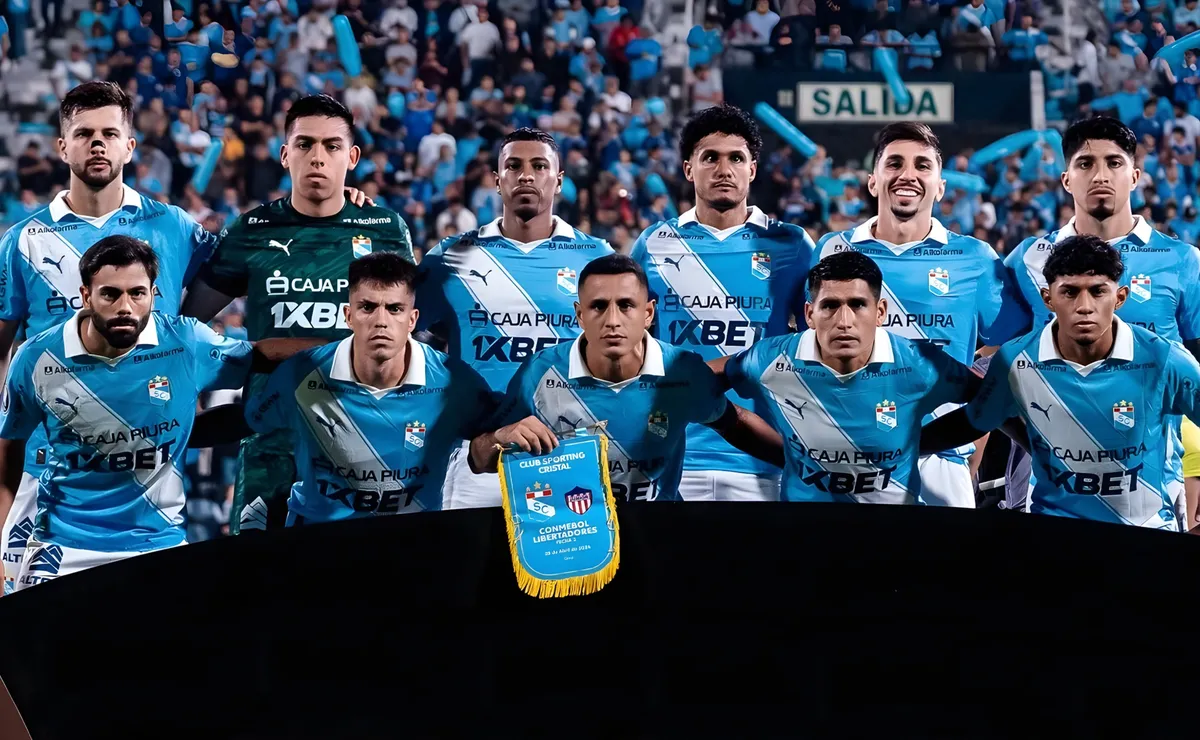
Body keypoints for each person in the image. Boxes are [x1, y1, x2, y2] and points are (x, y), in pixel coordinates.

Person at [0, 81, 220, 594]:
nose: (97, 143)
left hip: (146, 473)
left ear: (129, 146)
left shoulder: (174, 225)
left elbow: (239, 272)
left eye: (109, 133)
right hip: (48, 474)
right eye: (83, 134)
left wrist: (337, 203)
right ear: (63, 147)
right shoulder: (22, 241)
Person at [0, 237, 314, 591]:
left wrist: (345, 350)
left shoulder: (183, 342)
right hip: (62, 547)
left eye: (137, 293)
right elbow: (7, 459)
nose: (125, 307)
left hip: (158, 544)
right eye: (110, 294)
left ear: (152, 293)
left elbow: (257, 355)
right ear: (86, 296)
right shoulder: (36, 358)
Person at [181, 94, 415, 534]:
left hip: (363, 445)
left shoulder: (385, 230)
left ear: (352, 157)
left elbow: (405, 337)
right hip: (270, 446)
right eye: (305, 144)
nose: (317, 157)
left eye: (331, 146)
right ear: (285, 154)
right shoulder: (250, 231)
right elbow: (186, 326)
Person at [813, 122, 1032, 508]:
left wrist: (976, 432)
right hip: (845, 452)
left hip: (940, 459)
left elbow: (1012, 346)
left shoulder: (974, 259)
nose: (908, 174)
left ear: (940, 186)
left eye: (922, 165)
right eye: (894, 163)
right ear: (873, 182)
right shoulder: (834, 250)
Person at [922, 235, 1200, 530]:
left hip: (1146, 531)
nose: (1084, 306)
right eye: (1070, 292)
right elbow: (974, 421)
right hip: (1055, 532)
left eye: (1098, 291)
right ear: (1048, 298)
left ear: (1120, 297)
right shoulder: (1016, 359)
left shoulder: (1164, 359)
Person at [1002, 116, 1200, 521]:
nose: (1100, 175)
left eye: (1114, 162)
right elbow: (995, 363)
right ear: (1066, 179)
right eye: (1085, 163)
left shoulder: (1182, 260)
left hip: (1152, 488)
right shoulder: (1027, 260)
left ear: (1135, 176)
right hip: (1054, 489)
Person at [469, 254, 784, 502]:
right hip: (576, 540)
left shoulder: (682, 371)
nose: (612, 320)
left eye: (626, 306)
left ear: (648, 314)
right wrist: (501, 438)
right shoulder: (540, 372)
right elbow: (479, 459)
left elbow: (733, 422)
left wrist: (799, 464)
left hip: (656, 538)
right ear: (579, 315)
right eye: (598, 307)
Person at [416, 128, 614, 510]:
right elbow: (402, 334)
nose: (526, 175)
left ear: (559, 180)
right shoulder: (451, 257)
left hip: (568, 453)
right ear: (497, 180)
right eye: (514, 166)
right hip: (477, 456)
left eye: (539, 166)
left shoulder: (596, 256)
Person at [629, 104, 814, 503]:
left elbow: (817, 348)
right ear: (688, 169)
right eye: (710, 157)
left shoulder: (792, 244)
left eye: (736, 158)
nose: (723, 169)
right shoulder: (653, 243)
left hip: (763, 459)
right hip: (671, 458)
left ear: (753, 169)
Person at [243, 252, 496, 523]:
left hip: (414, 540)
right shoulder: (300, 374)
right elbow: (253, 422)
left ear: (412, 320)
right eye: (367, 307)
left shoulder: (455, 383)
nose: (381, 321)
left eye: (395, 309)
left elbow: (487, 448)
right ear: (348, 315)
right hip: (317, 537)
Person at [718, 250, 978, 503]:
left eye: (857, 304)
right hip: (802, 526)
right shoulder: (773, 358)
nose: (844, 321)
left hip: (894, 527)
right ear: (809, 314)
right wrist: (721, 417)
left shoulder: (920, 363)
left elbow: (989, 401)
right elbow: (703, 381)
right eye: (830, 306)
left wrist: (919, 443)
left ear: (880, 312)